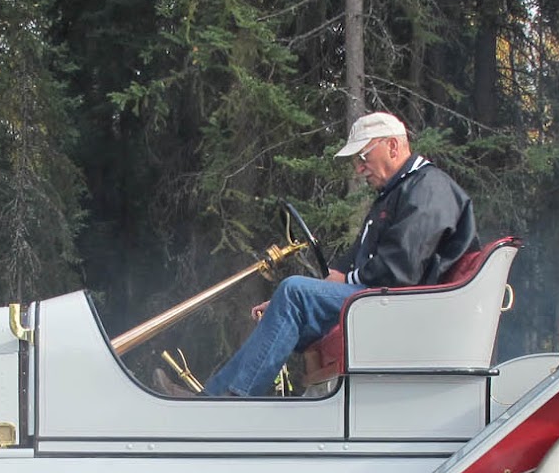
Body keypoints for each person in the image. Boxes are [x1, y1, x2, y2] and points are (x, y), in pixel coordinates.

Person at [158, 111, 478, 397]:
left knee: (295, 291)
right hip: (385, 301)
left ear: (393, 146)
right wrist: (291, 302)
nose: (358, 168)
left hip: (404, 307)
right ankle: (215, 398)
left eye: (363, 156)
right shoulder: (398, 192)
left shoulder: (428, 189)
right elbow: (351, 265)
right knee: (292, 296)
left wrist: (310, 293)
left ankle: (229, 401)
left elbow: (398, 271)